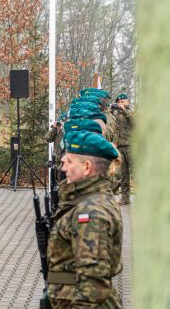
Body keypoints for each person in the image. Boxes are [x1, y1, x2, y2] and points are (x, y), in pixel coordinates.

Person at [47, 130, 123, 308]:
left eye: (69, 161)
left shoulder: (91, 213)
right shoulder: (90, 199)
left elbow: (92, 288)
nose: (63, 167)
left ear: (87, 167)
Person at [113, 93, 134, 205]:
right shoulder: (118, 115)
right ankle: (125, 198)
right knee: (124, 174)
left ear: (127, 102)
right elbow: (116, 130)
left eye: (122, 102)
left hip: (132, 146)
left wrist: (124, 111)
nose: (120, 104)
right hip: (121, 146)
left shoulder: (131, 112)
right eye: (119, 103)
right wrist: (115, 143)